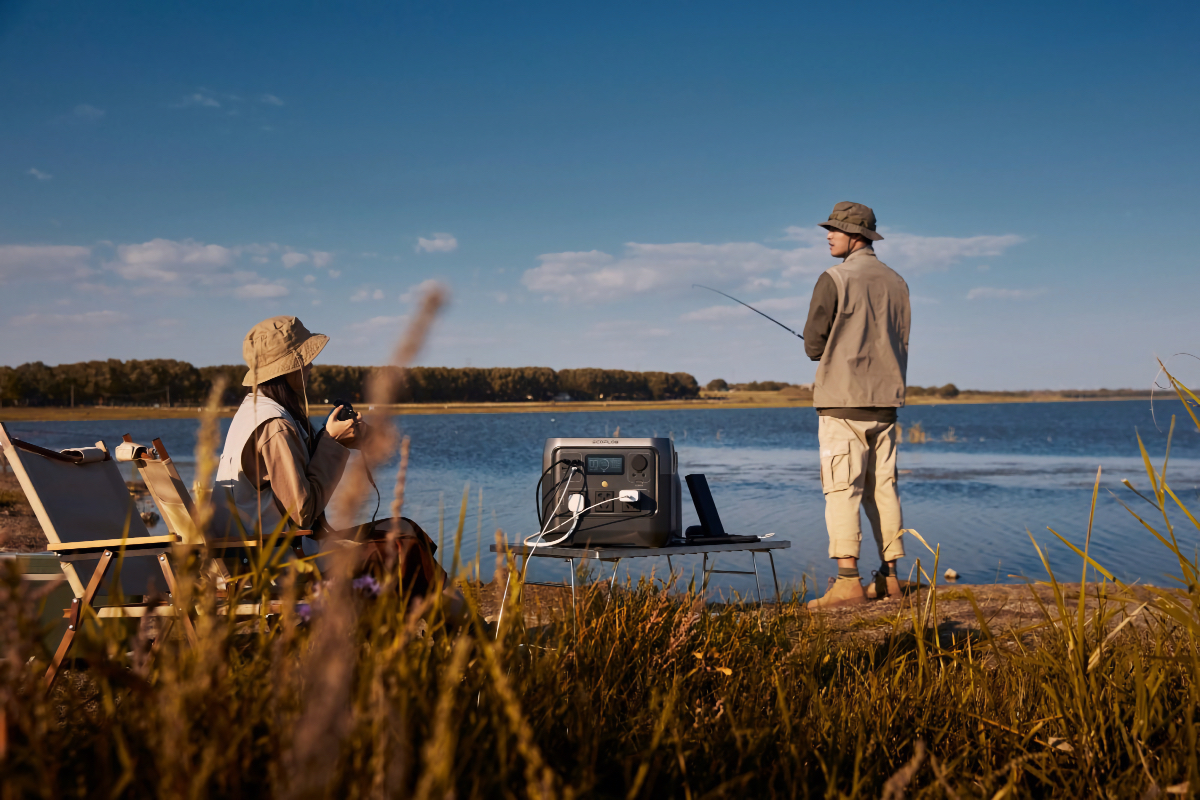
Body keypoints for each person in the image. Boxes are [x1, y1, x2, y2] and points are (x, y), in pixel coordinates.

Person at [802, 202, 910, 608]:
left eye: (834, 230)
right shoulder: (898, 282)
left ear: (855, 236)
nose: (828, 235)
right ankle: (890, 578)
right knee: (884, 489)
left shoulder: (834, 278)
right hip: (887, 401)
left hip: (843, 404)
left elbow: (814, 347)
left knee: (841, 489)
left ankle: (848, 581)